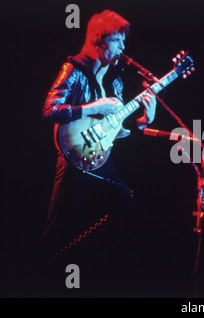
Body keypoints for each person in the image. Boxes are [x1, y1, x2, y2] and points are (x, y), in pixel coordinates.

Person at [34, 10, 156, 294]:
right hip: (75, 160)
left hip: (102, 160)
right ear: (98, 41)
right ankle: (34, 279)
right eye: (118, 41)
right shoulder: (73, 70)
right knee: (54, 234)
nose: (124, 48)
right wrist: (94, 107)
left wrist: (143, 122)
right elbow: (50, 110)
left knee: (129, 215)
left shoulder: (115, 81)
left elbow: (116, 130)